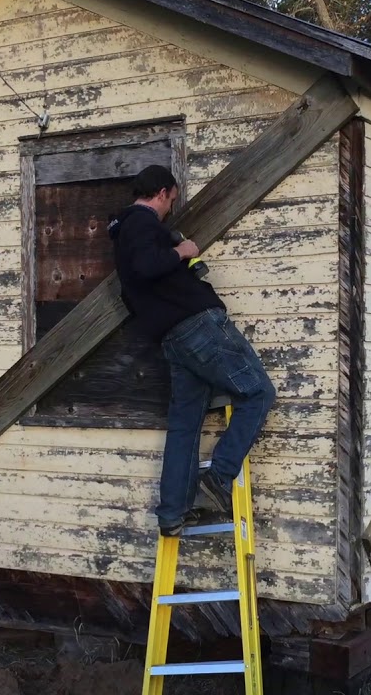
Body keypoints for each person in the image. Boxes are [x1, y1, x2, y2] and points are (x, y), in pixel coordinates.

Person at [107, 164, 277, 537]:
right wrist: (183, 250)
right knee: (259, 392)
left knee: (185, 423)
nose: (171, 207)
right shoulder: (140, 223)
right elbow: (149, 265)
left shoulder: (125, 234)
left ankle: (173, 513)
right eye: (172, 199)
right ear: (164, 192)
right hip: (197, 327)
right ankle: (218, 477)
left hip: (172, 339)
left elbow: (135, 285)